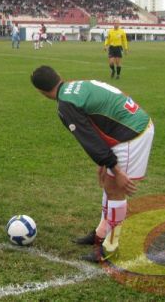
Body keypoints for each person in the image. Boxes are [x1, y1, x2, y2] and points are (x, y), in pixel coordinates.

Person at [30, 66, 154, 263]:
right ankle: (101, 233)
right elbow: (96, 126)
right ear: (59, 76)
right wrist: (105, 161)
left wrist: (114, 167)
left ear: (42, 92)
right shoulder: (75, 85)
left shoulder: (65, 105)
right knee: (108, 183)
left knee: (115, 190)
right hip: (127, 128)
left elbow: (89, 139)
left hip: (132, 134)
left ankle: (111, 247)